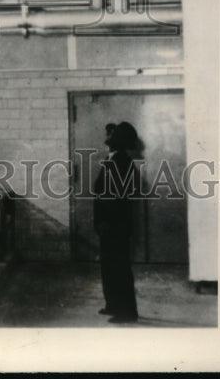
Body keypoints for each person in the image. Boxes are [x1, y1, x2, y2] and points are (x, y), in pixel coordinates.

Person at [93, 120, 140, 323]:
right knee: (109, 267)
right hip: (110, 224)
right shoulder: (113, 158)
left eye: (112, 134)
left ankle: (127, 312)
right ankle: (113, 304)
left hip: (115, 225)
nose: (107, 136)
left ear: (118, 140)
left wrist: (107, 222)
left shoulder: (122, 162)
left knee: (118, 268)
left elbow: (119, 198)